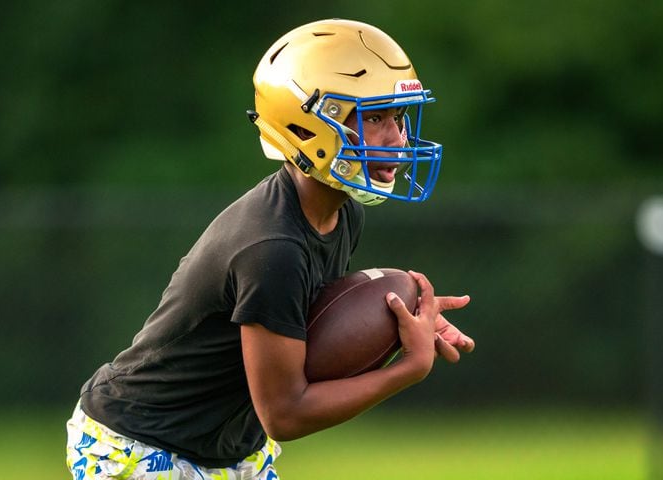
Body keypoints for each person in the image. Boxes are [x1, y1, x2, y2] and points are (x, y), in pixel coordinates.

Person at [66, 18, 475, 480]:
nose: (398, 140)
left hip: (232, 450)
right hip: (142, 444)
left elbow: (317, 326)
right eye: (374, 118)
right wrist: (408, 369)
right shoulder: (272, 248)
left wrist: (400, 315)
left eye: (398, 117)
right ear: (305, 127)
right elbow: (284, 413)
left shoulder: (343, 213)